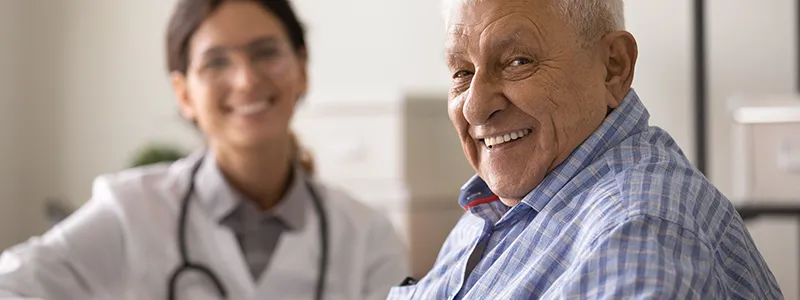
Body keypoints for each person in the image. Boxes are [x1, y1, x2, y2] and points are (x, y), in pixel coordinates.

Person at [0, 0, 409, 299]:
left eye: (266, 53)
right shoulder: (132, 211)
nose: (247, 81)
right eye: (216, 63)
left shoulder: (367, 237)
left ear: (302, 68)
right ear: (184, 94)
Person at [388, 0, 783, 299]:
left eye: (517, 61)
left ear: (614, 67)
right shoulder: (504, 206)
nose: (474, 106)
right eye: (462, 73)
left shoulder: (638, 229)